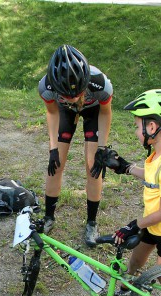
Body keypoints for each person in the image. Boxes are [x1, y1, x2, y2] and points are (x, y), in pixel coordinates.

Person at [108, 89, 161, 296]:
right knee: (135, 260)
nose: (136, 132)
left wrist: (135, 224)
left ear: (152, 127)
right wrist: (124, 167)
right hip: (153, 224)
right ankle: (126, 290)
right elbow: (152, 177)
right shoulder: (157, 155)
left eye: (137, 126)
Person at [38, 44, 113, 247]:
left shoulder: (99, 83)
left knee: (93, 166)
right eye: (66, 94)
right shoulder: (46, 87)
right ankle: (49, 217)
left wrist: (102, 148)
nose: (74, 98)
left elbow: (106, 114)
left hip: (94, 111)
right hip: (65, 112)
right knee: (56, 164)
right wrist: (53, 148)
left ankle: (91, 222)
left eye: (77, 93)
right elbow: (52, 113)